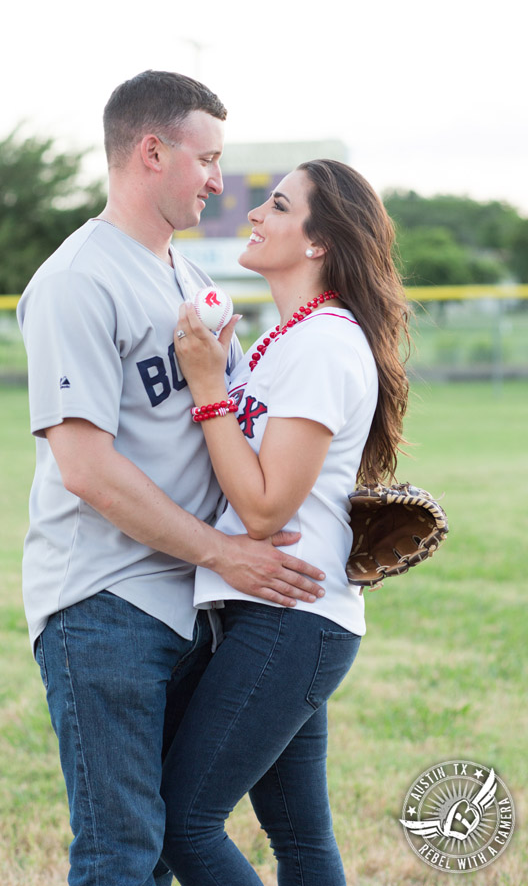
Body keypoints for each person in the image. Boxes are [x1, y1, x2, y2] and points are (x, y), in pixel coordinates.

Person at [16, 71, 326, 886]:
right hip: (105, 603)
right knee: (122, 855)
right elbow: (85, 469)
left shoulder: (189, 278)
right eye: (209, 159)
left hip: (190, 599)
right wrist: (226, 555)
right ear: (152, 151)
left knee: (164, 845)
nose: (222, 182)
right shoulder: (78, 279)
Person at [161, 159, 410, 885]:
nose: (254, 215)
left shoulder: (325, 343)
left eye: (275, 205)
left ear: (318, 242)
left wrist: (209, 389)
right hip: (277, 613)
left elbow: (265, 507)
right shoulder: (288, 339)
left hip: (291, 619)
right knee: (299, 839)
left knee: (185, 821)